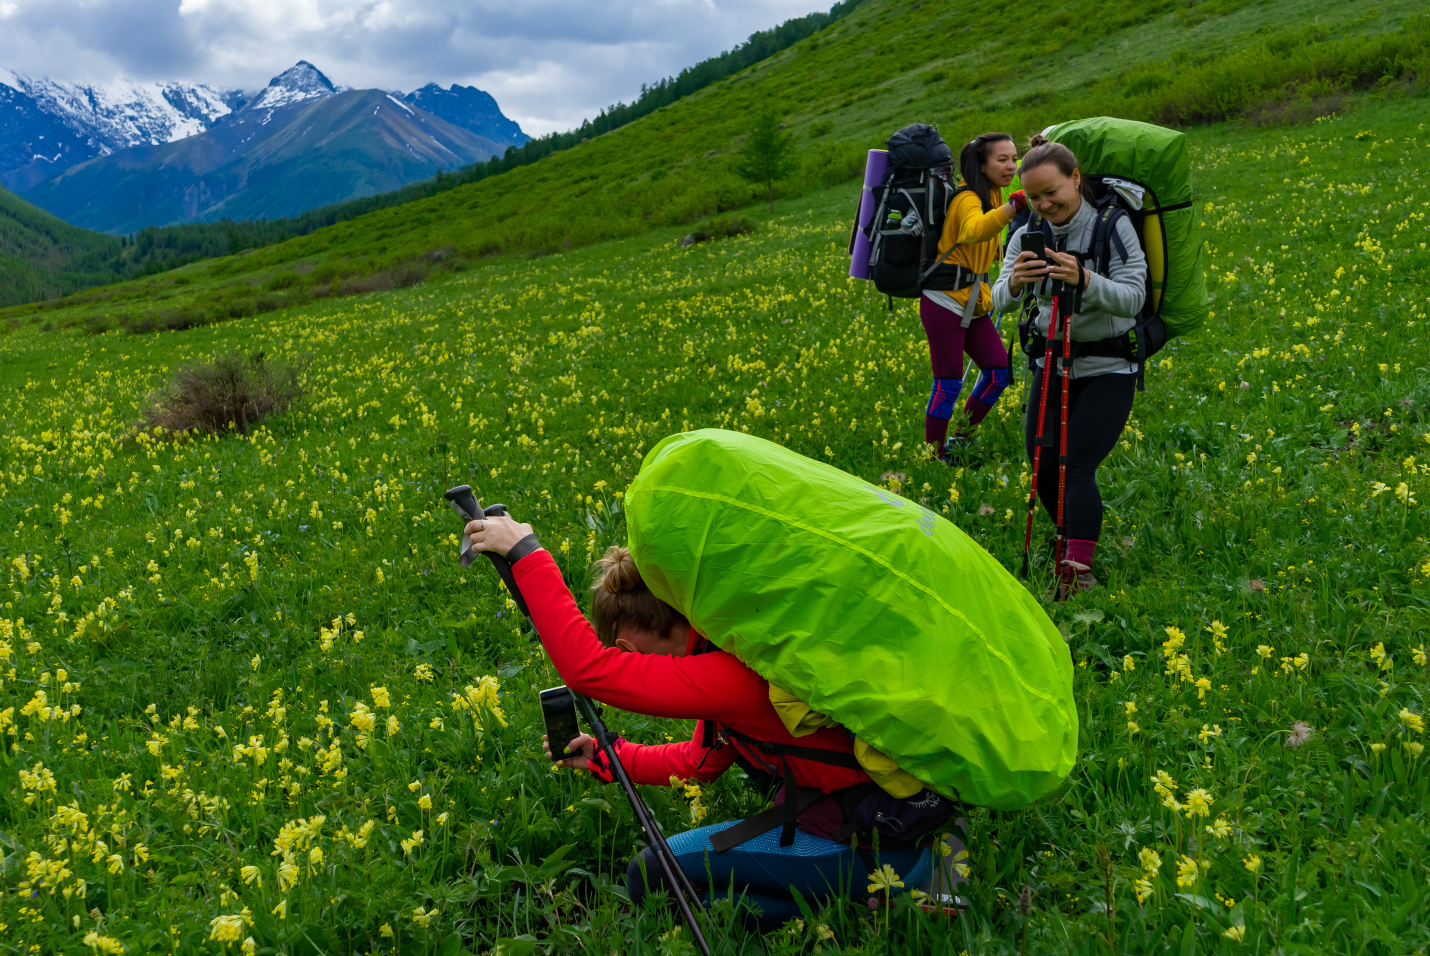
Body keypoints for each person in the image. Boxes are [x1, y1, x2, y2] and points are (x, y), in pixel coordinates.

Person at [462, 516, 968, 929]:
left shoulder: (729, 674)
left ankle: (912, 883)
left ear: (634, 643)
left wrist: (527, 552)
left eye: (626, 650)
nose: (628, 659)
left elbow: (588, 670)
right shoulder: (722, 648)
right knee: (705, 905)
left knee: (651, 876)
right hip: (848, 816)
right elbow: (702, 761)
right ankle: (872, 902)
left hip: (873, 836)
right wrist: (608, 758)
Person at [992, 135, 1147, 597]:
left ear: (1075, 179)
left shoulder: (1112, 225)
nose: (1044, 205)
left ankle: (1079, 573)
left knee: (1074, 465)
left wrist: (1084, 278)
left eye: (1052, 193)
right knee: (1041, 465)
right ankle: (1071, 537)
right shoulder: (1024, 233)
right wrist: (1016, 283)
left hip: (1108, 364)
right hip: (1051, 361)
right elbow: (997, 299)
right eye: (1035, 198)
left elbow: (1133, 297)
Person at [920, 132, 1028, 460]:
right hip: (944, 301)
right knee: (948, 383)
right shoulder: (968, 198)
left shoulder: (993, 195)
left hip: (973, 300)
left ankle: (962, 440)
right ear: (981, 165)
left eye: (1014, 159)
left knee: (998, 374)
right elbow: (972, 230)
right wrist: (1013, 206)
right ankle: (934, 456)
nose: (1011, 166)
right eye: (1002, 159)